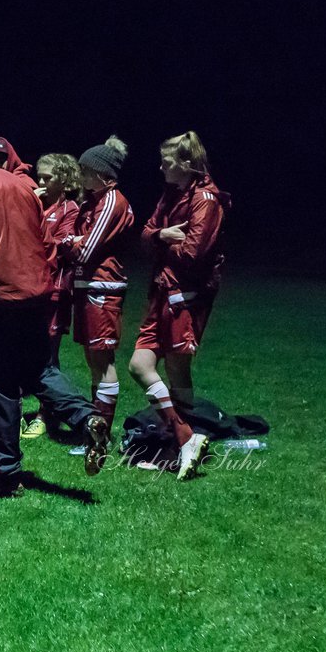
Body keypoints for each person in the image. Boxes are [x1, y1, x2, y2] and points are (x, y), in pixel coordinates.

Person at [0, 131, 109, 497]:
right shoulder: (23, 187)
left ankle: (7, 475)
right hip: (34, 297)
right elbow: (45, 242)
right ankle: (87, 417)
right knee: (40, 370)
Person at [128, 130, 230, 480]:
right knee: (140, 365)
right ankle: (186, 437)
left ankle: (176, 448)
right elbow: (145, 235)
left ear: (186, 164)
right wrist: (162, 235)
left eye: (166, 162)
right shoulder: (170, 195)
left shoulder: (207, 199)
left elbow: (192, 255)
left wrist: (163, 240)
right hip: (161, 292)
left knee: (176, 371)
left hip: (185, 298)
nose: (160, 168)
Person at [59, 137, 135, 472]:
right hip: (89, 287)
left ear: (104, 174)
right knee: (94, 359)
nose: (81, 177)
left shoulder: (112, 202)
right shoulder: (96, 200)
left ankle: (100, 436)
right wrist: (71, 242)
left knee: (102, 360)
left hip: (102, 288)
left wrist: (68, 243)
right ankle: (96, 430)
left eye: (87, 171)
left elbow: (86, 250)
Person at [21, 152, 81, 439]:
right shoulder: (35, 202)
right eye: (40, 176)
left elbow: (63, 243)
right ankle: (29, 408)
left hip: (55, 291)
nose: (41, 182)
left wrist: (39, 243)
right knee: (27, 350)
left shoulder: (69, 208)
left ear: (65, 181)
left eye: (49, 177)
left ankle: (45, 415)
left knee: (48, 355)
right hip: (30, 288)